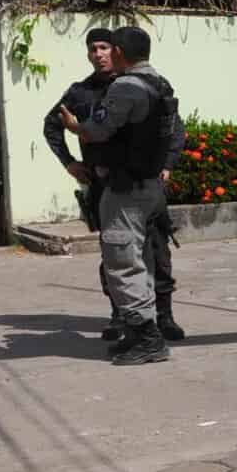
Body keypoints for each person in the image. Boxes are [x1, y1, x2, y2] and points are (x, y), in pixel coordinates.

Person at [43, 27, 184, 345]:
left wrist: (166, 166)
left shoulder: (135, 87)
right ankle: (124, 318)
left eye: (106, 47)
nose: (99, 54)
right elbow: (52, 125)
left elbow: (173, 129)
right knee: (117, 255)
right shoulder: (82, 92)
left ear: (118, 51)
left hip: (139, 185)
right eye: (93, 48)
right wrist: (69, 162)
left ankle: (161, 318)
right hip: (106, 184)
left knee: (154, 252)